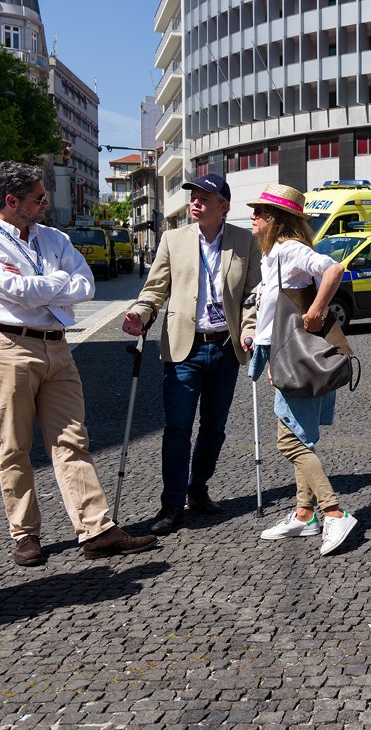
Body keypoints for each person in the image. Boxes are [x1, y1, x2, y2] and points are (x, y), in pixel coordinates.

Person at [0, 161, 158, 566]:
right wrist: (58, 282)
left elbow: (85, 285)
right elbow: (12, 288)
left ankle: (96, 530)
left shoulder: (55, 238)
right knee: (14, 445)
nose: (45, 203)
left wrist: (41, 288)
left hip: (58, 347)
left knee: (72, 439)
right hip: (11, 346)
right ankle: (25, 534)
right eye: (38, 198)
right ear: (12, 201)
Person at [124, 173, 262, 536]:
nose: (195, 202)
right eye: (193, 197)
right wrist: (140, 313)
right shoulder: (173, 239)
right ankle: (171, 504)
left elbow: (252, 295)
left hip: (226, 348)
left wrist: (249, 328)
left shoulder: (244, 242)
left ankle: (197, 488)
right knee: (177, 429)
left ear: (223, 206)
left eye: (204, 198)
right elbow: (155, 289)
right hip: (184, 348)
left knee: (214, 428)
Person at [247, 183, 358, 555]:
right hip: (283, 353)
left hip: (294, 356)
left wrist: (316, 311)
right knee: (299, 435)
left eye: (260, 212)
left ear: (277, 219)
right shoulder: (272, 256)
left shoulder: (290, 249)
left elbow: (333, 269)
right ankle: (304, 515)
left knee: (289, 441)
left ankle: (334, 511)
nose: (253, 216)